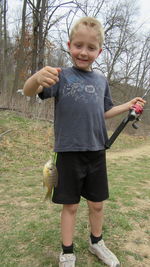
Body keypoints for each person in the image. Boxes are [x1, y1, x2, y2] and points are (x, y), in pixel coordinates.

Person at [23, 17, 145, 267]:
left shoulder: (101, 80)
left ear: (99, 51)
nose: (84, 52)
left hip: (96, 151)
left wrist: (128, 105)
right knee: (70, 207)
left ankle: (97, 242)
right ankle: (67, 251)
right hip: (67, 152)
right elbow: (28, 91)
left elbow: (104, 111)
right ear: (69, 45)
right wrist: (36, 77)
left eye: (91, 48)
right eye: (78, 45)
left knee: (97, 204)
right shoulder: (59, 76)